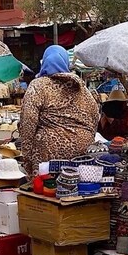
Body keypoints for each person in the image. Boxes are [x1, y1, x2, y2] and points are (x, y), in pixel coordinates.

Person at [20, 45, 101, 174]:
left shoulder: (38, 85)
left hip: (48, 152)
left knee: (46, 185)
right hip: (82, 152)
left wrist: (26, 157)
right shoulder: (82, 87)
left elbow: (28, 122)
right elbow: (95, 116)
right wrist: (87, 139)